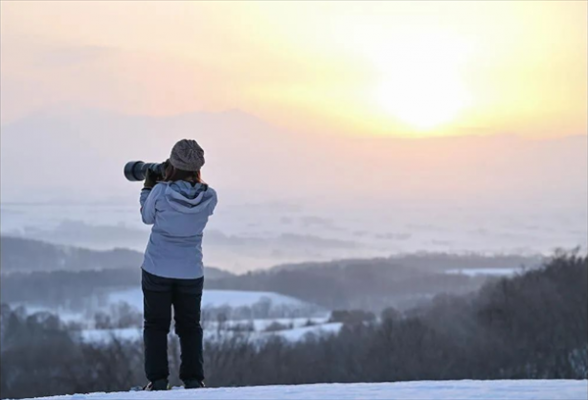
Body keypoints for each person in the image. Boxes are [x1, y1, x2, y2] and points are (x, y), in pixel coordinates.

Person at [139, 139, 218, 391]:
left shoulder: (161, 192)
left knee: (155, 325)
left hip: (157, 267)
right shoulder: (210, 196)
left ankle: (158, 381)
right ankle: (194, 379)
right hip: (191, 270)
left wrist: (148, 186)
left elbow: (146, 216)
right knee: (190, 326)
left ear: (172, 164)